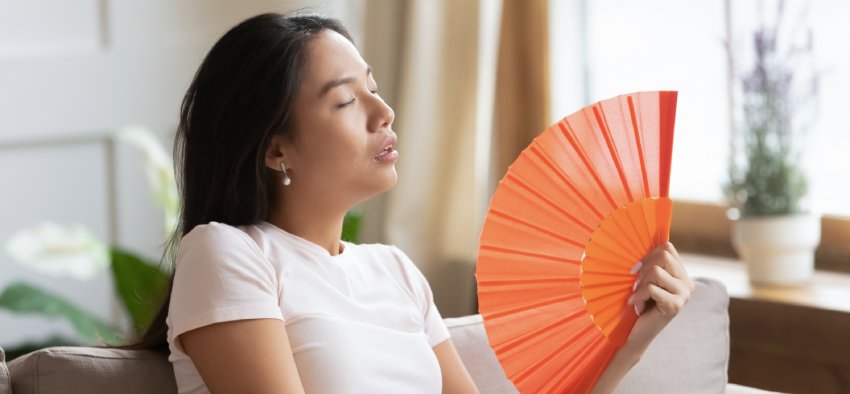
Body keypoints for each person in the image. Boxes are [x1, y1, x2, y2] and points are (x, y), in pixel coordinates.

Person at [127, 12, 695, 394]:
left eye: (374, 87)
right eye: (347, 101)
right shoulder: (227, 253)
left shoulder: (394, 270)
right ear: (276, 150)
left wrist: (628, 344)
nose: (384, 112)